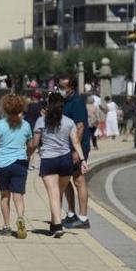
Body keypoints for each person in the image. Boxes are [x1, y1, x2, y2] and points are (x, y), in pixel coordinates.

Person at [31, 93, 89, 238]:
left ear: (48, 104)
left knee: (53, 194)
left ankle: (57, 225)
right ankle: (53, 224)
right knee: (58, 193)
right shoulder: (69, 122)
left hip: (49, 160)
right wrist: (82, 160)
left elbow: (35, 142)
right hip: (65, 161)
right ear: (62, 105)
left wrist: (28, 153)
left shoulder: (42, 120)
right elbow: (76, 142)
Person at [0, 94, 33, 239]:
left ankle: (6, 226)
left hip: (3, 163)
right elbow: (30, 144)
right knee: (18, 196)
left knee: (4, 196)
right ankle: (20, 217)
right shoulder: (26, 125)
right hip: (20, 162)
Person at [60, 77, 91, 229]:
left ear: (71, 87)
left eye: (63, 86)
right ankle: (71, 213)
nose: (60, 89)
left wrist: (76, 150)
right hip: (67, 145)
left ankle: (83, 217)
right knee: (65, 180)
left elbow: (80, 127)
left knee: (78, 179)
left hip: (78, 146)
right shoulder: (65, 101)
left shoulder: (77, 102)